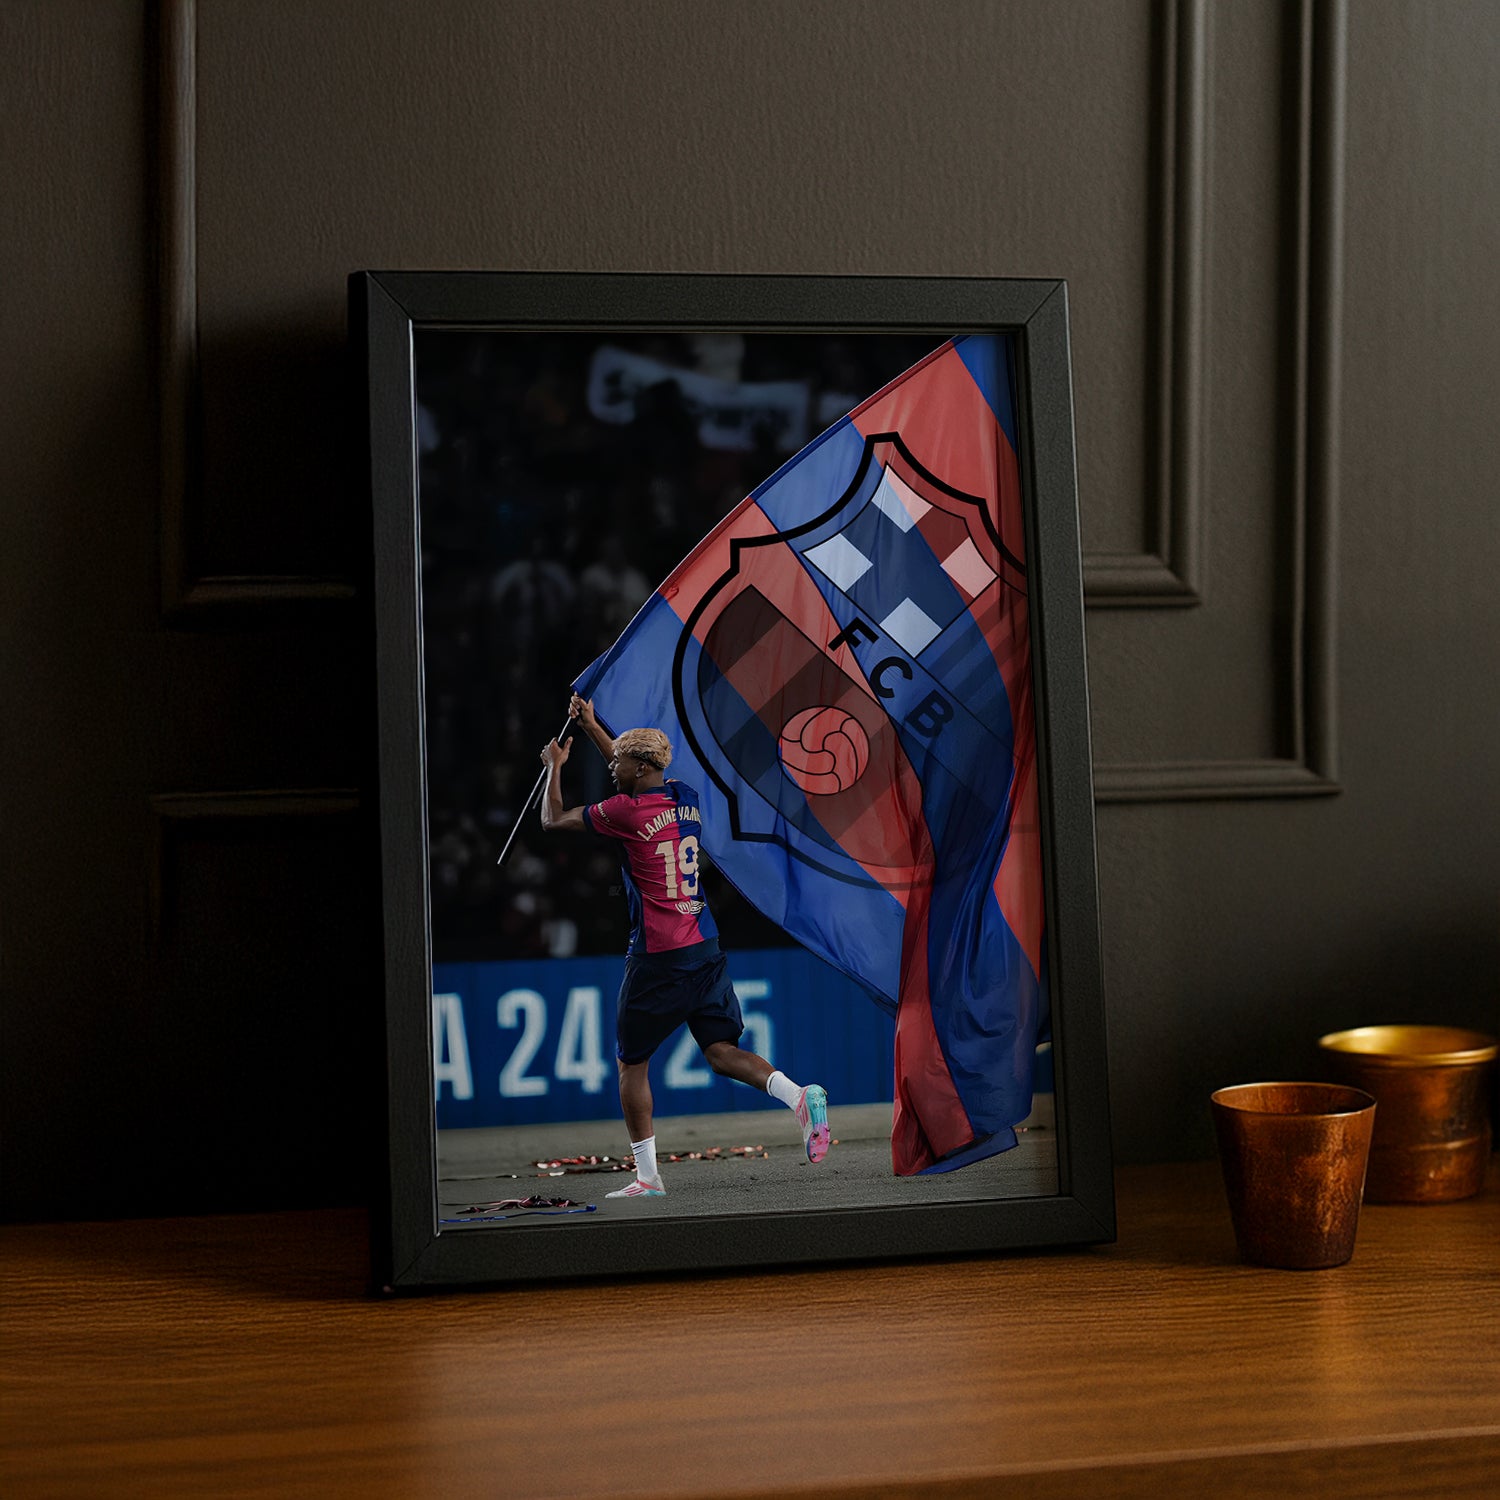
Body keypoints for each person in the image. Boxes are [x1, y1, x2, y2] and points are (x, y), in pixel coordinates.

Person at [538, 693, 829, 1198]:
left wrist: (554, 768)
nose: (611, 768)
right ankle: (798, 1096)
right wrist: (590, 725)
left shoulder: (625, 811)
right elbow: (629, 769)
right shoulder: (683, 795)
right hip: (704, 947)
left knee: (632, 1064)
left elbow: (552, 819)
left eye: (619, 763)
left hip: (657, 957)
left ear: (639, 767)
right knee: (721, 1051)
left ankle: (647, 1177)